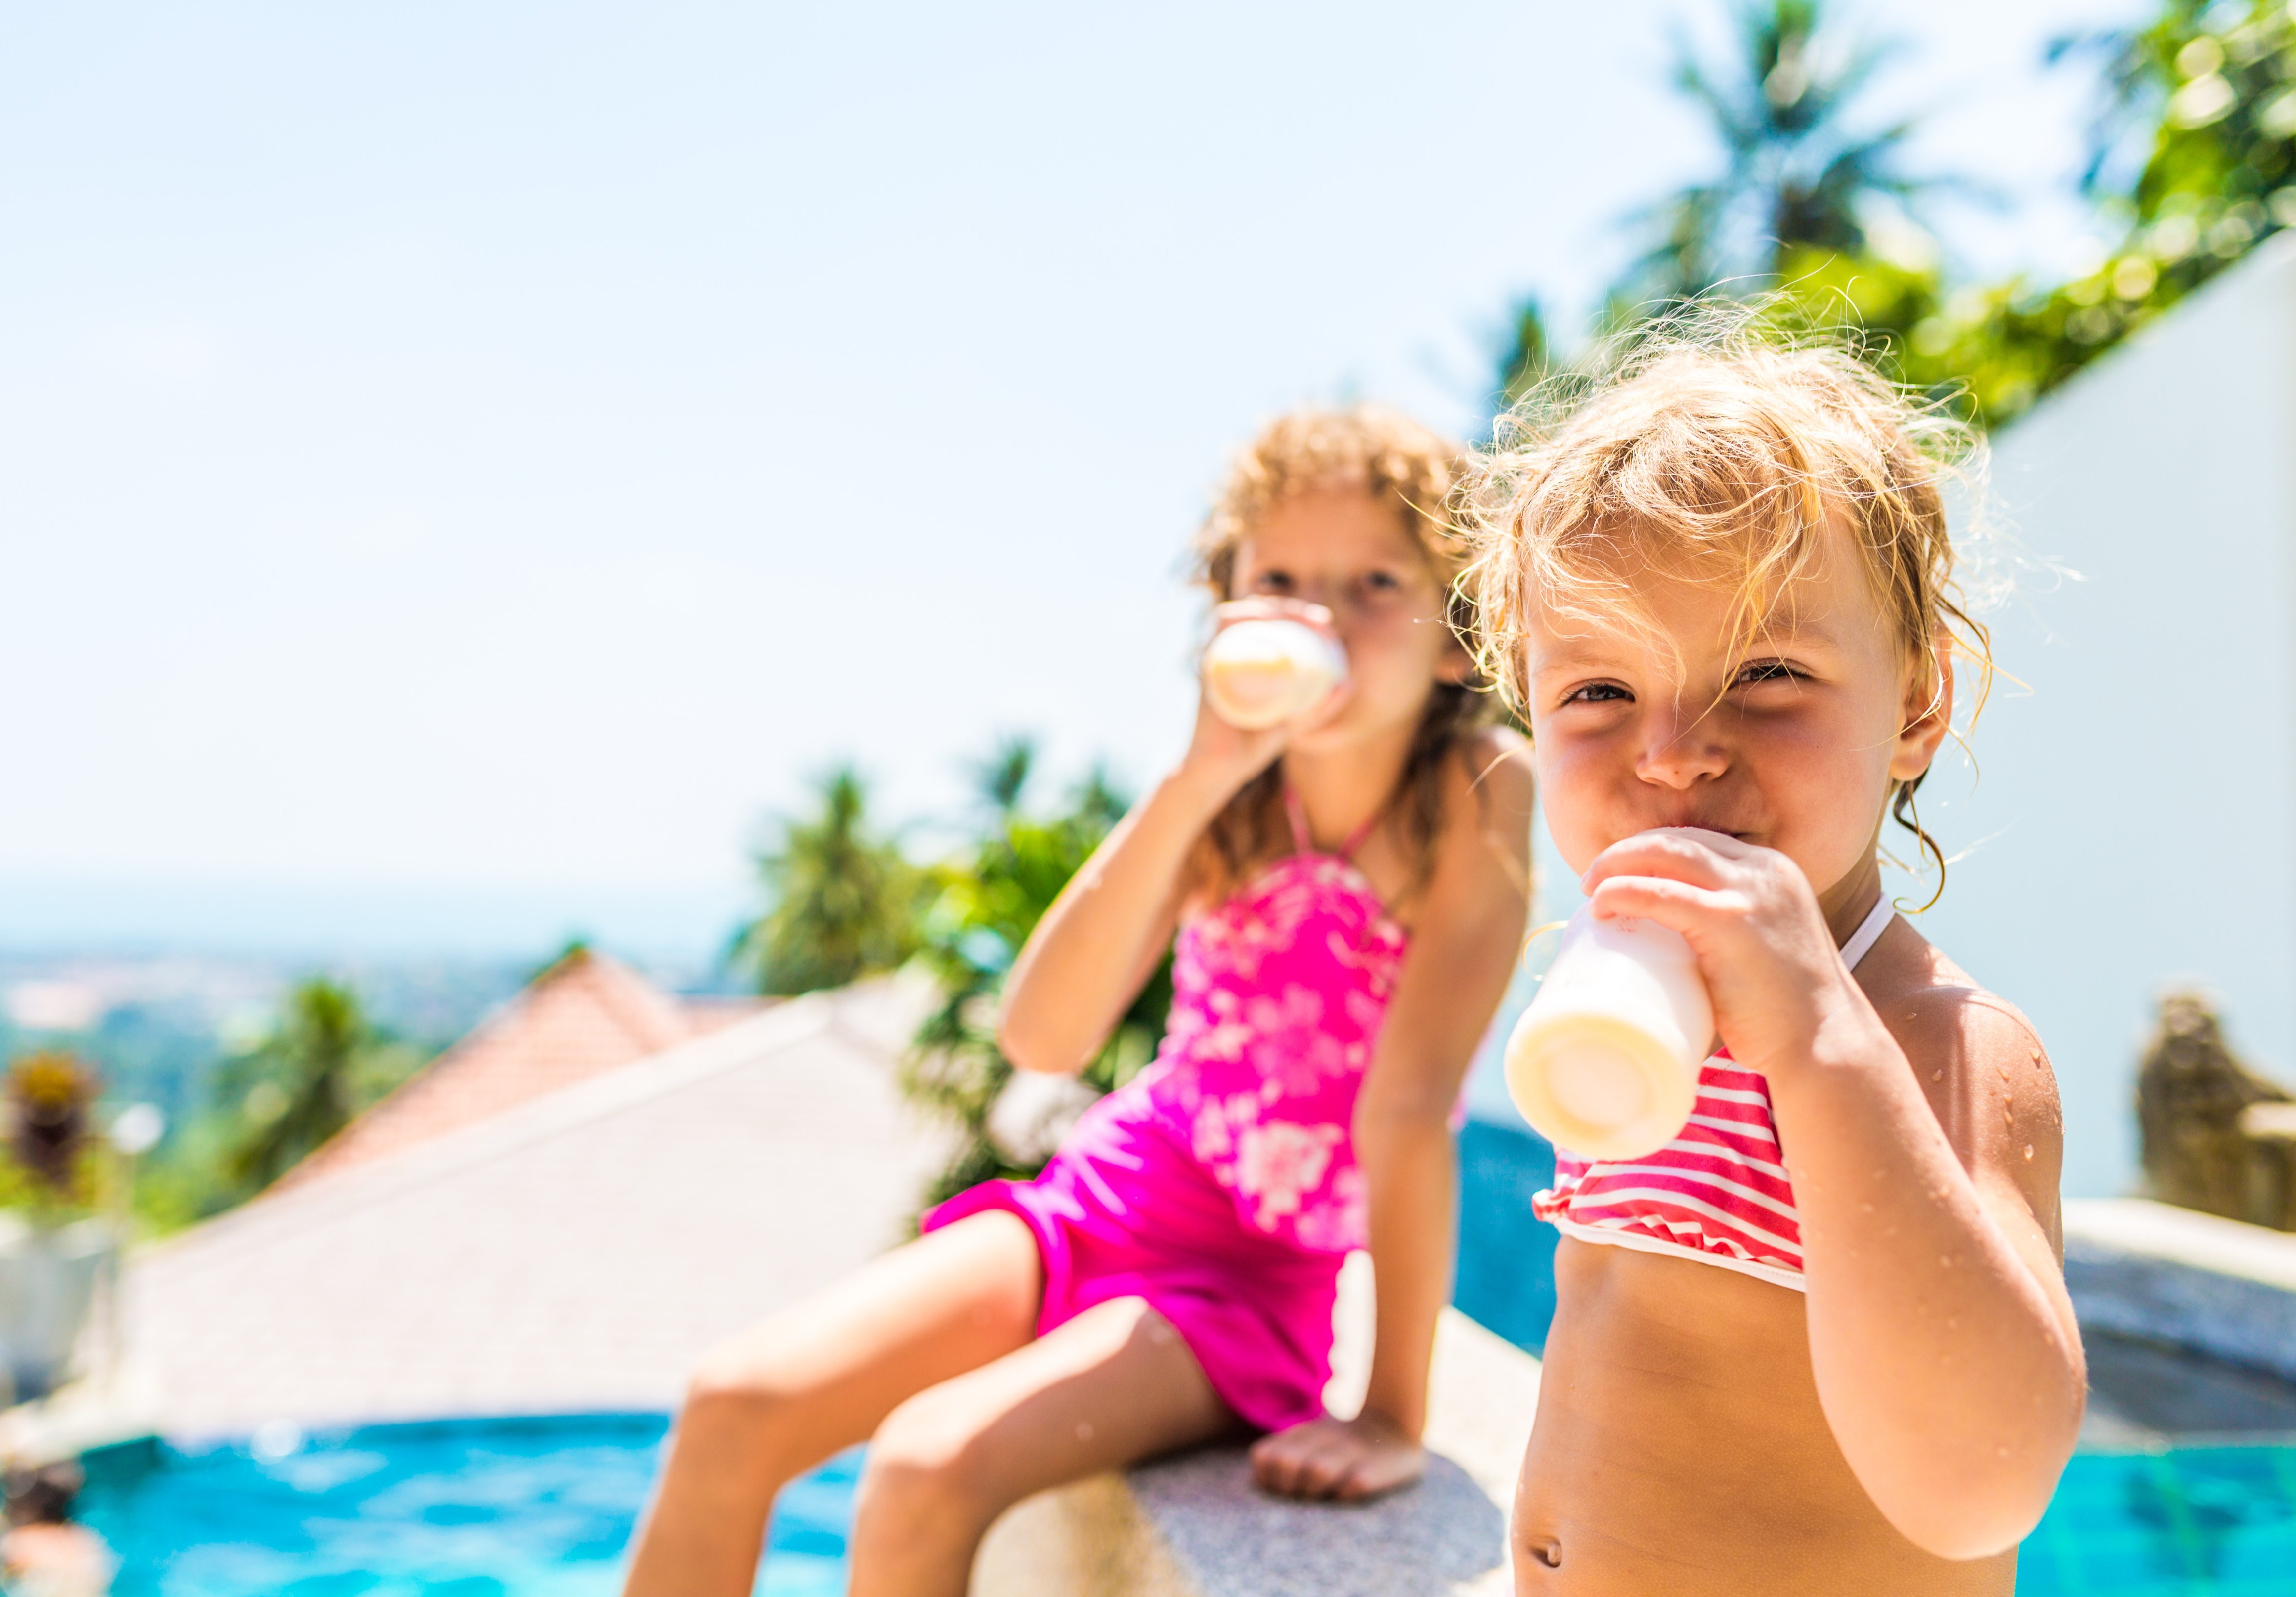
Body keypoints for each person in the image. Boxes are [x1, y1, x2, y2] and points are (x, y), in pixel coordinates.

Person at [621, 407, 1535, 1597]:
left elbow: (1408, 1107)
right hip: (1107, 1196)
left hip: (1248, 1286)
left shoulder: (1474, 790)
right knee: (731, 1402)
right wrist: (1199, 776)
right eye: (1280, 583)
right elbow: (1042, 1035)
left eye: (1372, 582)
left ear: (1455, 630)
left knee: (922, 1463)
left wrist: (1389, 1416)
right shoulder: (1228, 793)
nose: (1321, 620)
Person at [1460, 319, 2085, 1595]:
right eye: (1595, 694)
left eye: (1763, 672)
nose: (1673, 751)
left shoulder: (1935, 1045)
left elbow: (1981, 1487)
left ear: (1914, 704)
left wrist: (1813, 1039)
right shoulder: (1628, 1007)